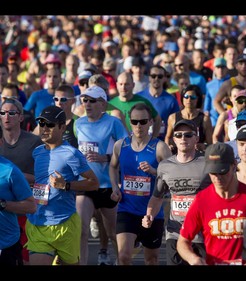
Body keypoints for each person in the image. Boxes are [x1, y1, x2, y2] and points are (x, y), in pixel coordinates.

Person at [25, 105, 99, 265]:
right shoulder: (37, 152)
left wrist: (66, 185)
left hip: (65, 224)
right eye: (41, 124)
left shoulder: (71, 154)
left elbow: (94, 183)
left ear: (62, 127)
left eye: (50, 124)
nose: (44, 128)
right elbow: (40, 179)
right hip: (38, 222)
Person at [109, 103, 172, 265]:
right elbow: (113, 167)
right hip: (126, 209)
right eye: (135, 121)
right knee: (123, 257)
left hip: (152, 212)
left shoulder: (160, 147)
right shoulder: (120, 146)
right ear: (130, 122)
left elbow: (172, 176)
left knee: (151, 259)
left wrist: (153, 171)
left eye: (143, 121)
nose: (139, 126)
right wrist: (115, 186)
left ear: (151, 122)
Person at [142, 119, 211, 265]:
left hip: (202, 233)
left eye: (188, 135)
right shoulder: (165, 166)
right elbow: (157, 196)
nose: (183, 138)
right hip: (175, 233)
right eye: (178, 135)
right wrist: (149, 215)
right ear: (173, 139)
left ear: (196, 138)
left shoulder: (207, 163)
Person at [176, 142, 246, 265]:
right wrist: (193, 258)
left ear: (234, 165)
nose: (217, 177)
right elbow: (183, 241)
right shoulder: (201, 200)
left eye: (222, 171)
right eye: (213, 172)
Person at [74, 86, 128, 265]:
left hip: (106, 185)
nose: (87, 104)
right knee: (81, 230)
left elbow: (126, 150)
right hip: (86, 184)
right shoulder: (78, 123)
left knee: (113, 233)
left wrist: (104, 157)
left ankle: (121, 261)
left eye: (92, 100)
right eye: (85, 100)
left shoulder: (113, 123)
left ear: (102, 103)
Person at [0, 98, 43, 264]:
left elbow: (43, 177)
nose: (6, 116)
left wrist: (19, 177)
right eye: (2, 113)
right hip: (5, 214)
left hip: (26, 207)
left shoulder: (34, 142)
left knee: (25, 258)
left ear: (20, 117)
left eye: (11, 113)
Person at [0, 153, 36, 265]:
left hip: (6, 246)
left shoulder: (10, 170)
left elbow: (31, 206)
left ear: (1, 142)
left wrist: (2, 204)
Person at [165, 84, 213, 153]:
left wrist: (203, 146)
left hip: (198, 157)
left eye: (192, 97)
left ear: (198, 99)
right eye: (186, 97)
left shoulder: (205, 119)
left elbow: (210, 144)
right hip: (177, 156)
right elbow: (168, 137)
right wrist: (168, 146)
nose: (189, 99)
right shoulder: (173, 117)